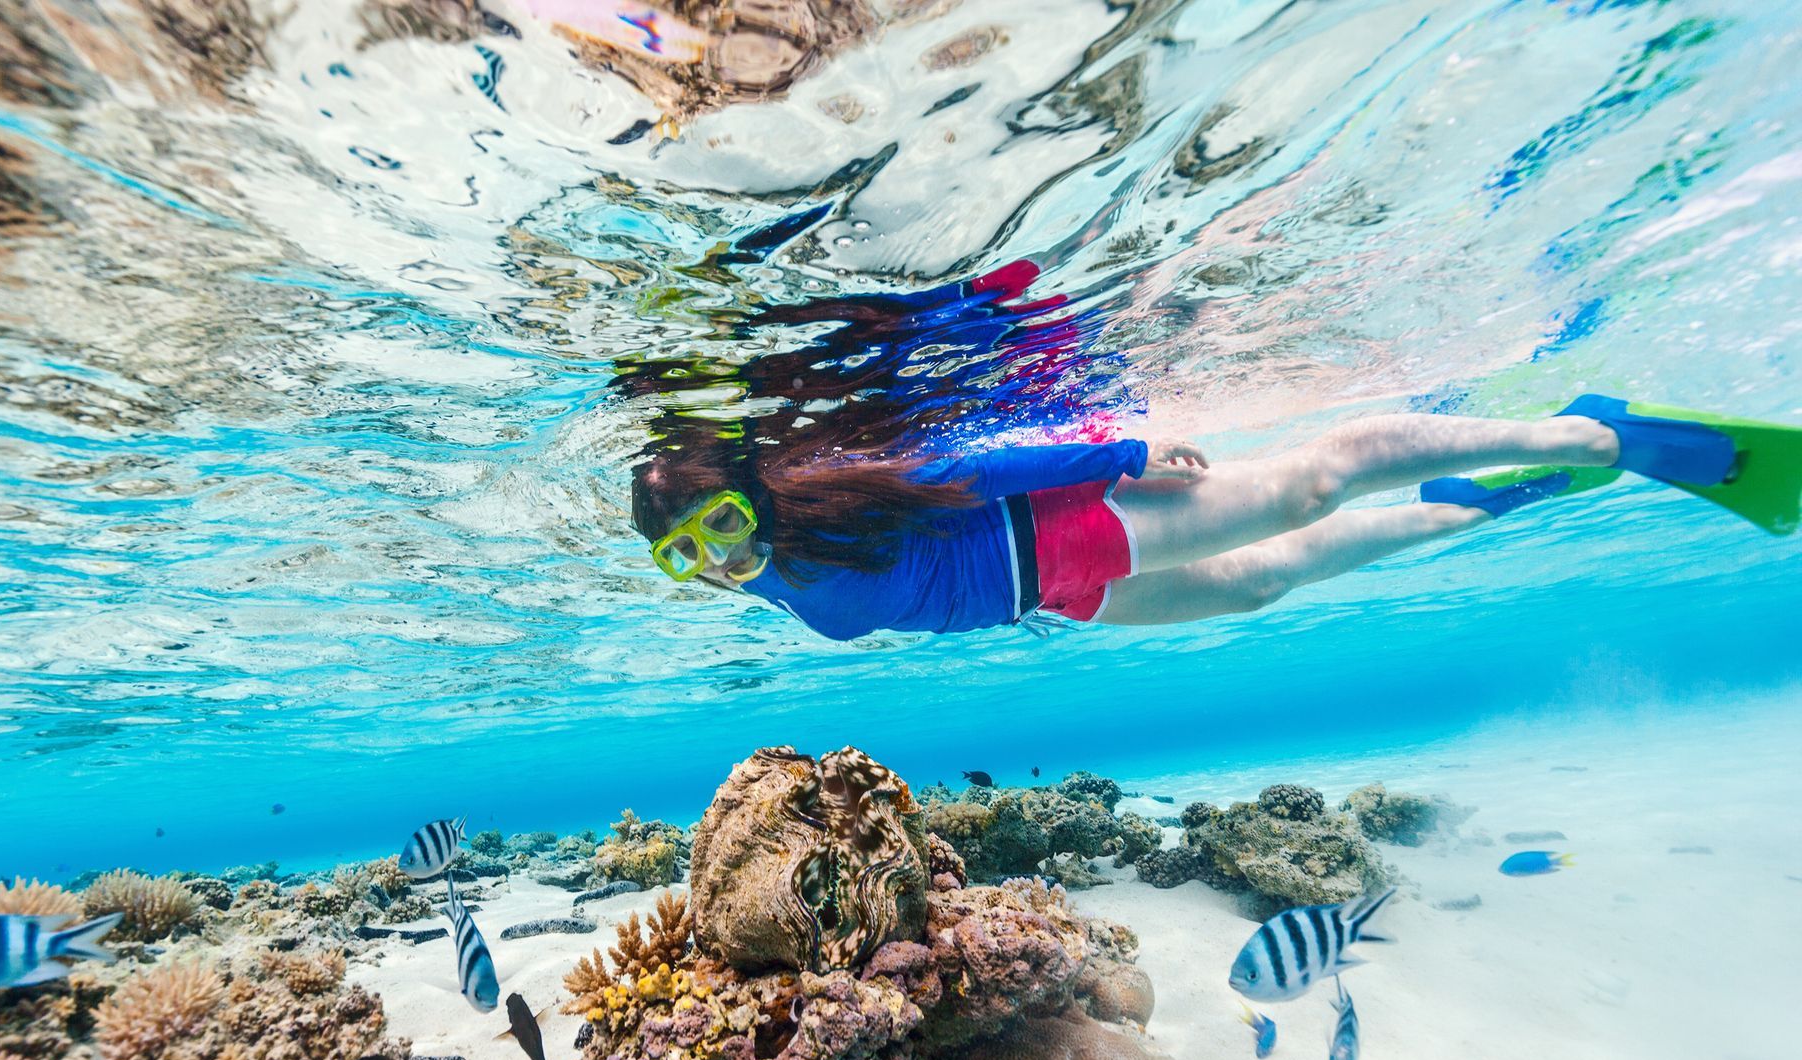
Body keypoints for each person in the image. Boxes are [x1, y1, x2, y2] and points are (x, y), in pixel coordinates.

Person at [630, 394, 1793, 641]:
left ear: (752, 487)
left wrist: (1121, 449)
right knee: (1260, 581)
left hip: (1058, 530)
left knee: (1306, 484)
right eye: (687, 556)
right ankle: (1485, 499)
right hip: (1056, 598)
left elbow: (971, 467)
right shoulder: (770, 581)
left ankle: (1584, 434)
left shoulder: (832, 489)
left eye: (722, 523)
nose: (718, 559)